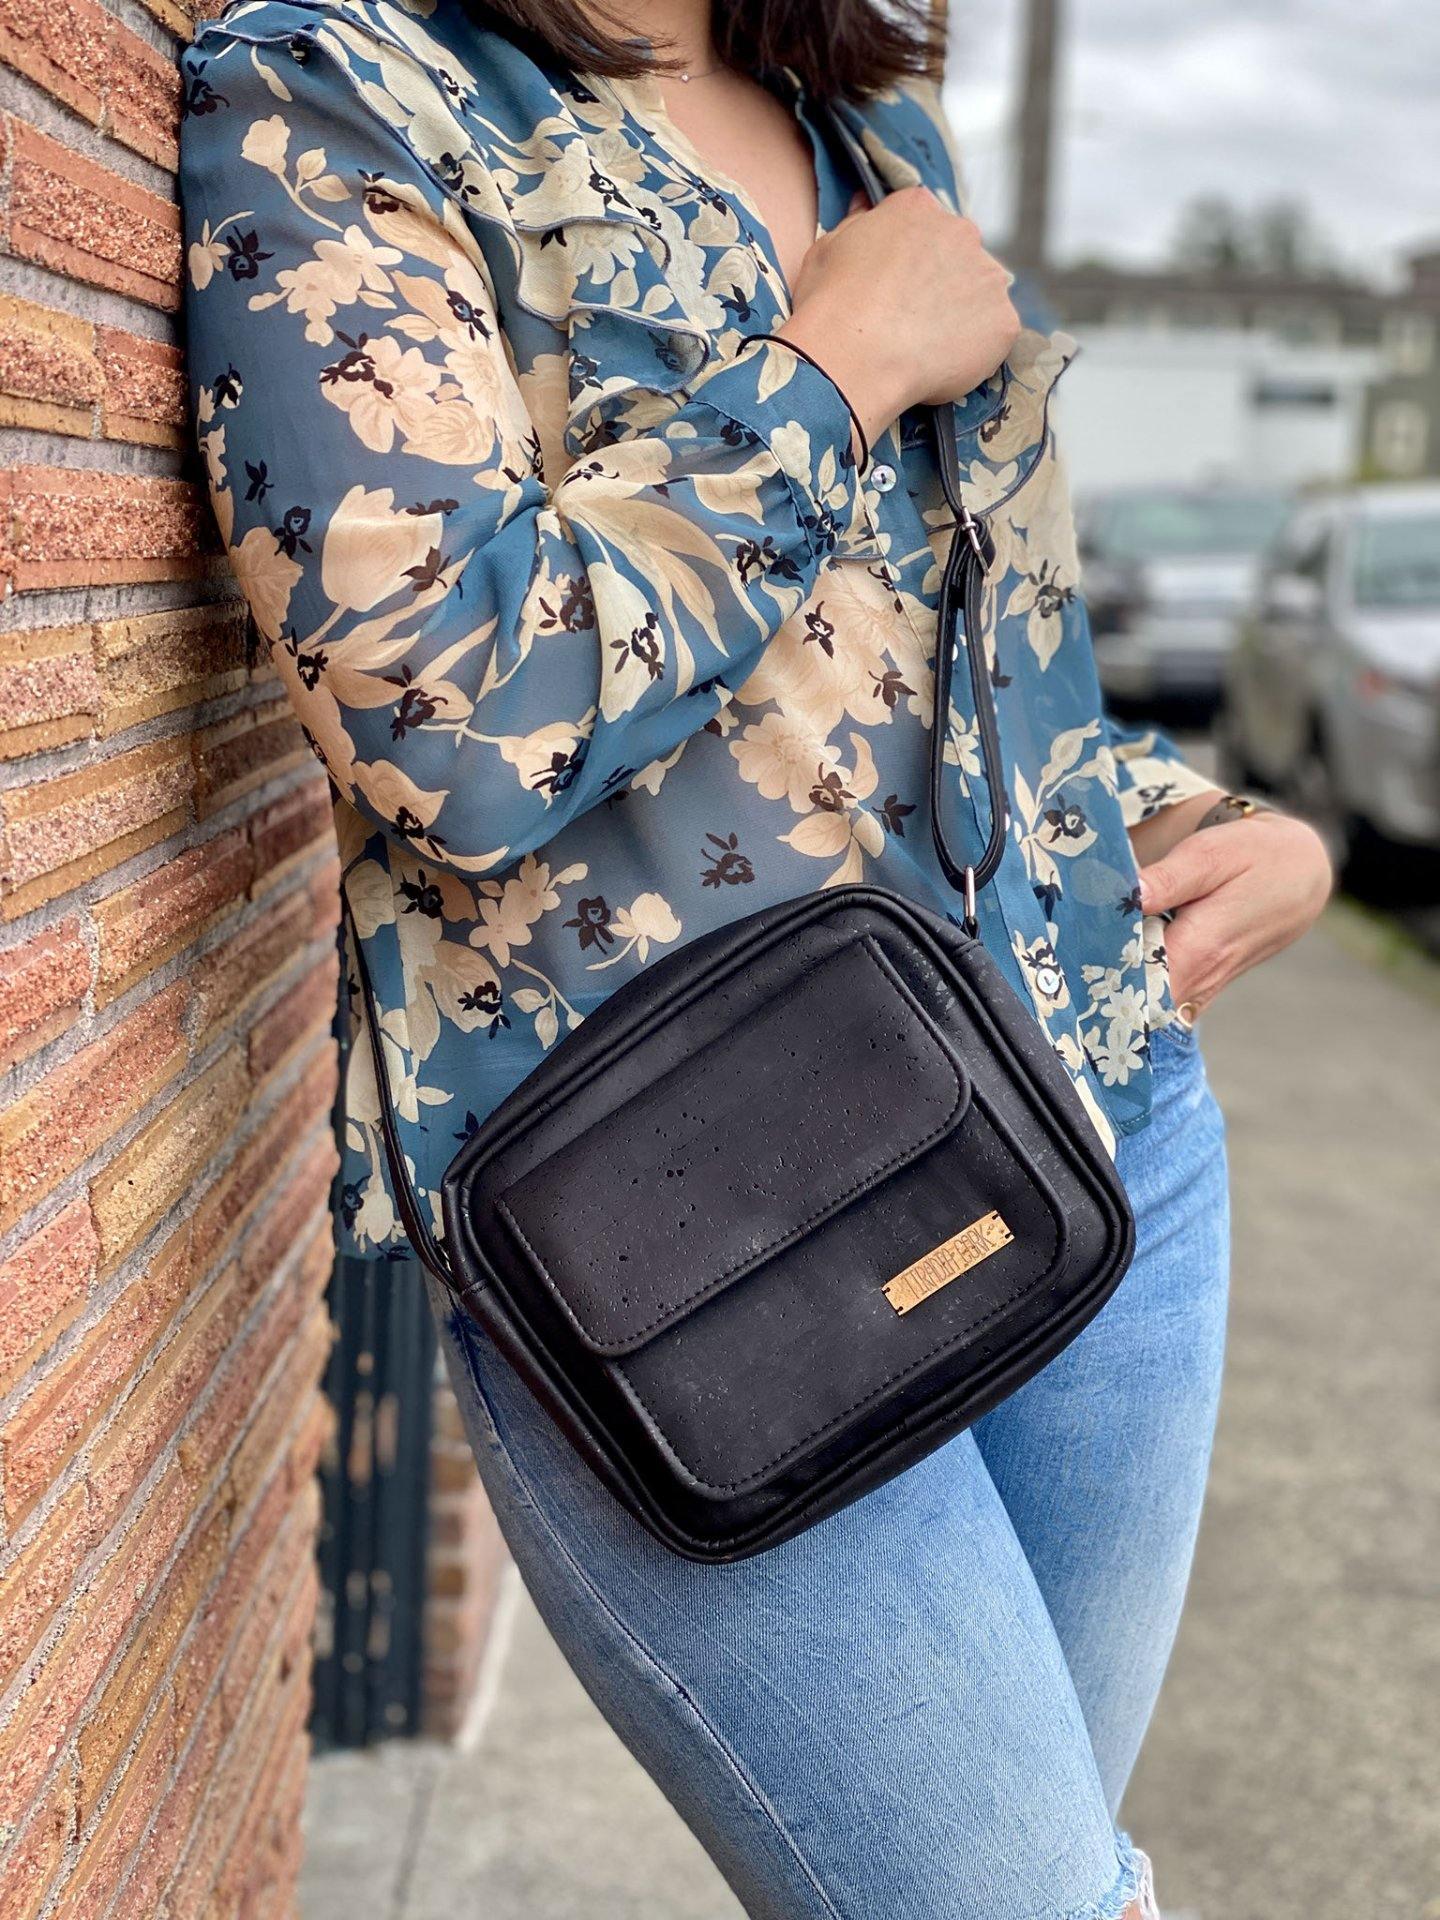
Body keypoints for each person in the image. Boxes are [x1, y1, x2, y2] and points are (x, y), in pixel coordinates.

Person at [179, 1, 1331, 1912]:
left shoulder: (868, 126)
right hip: (691, 1229)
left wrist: (1213, 819)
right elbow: (452, 721)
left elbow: (942, 684)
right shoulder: (346, 92)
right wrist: (833, 363)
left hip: (1101, 1116)